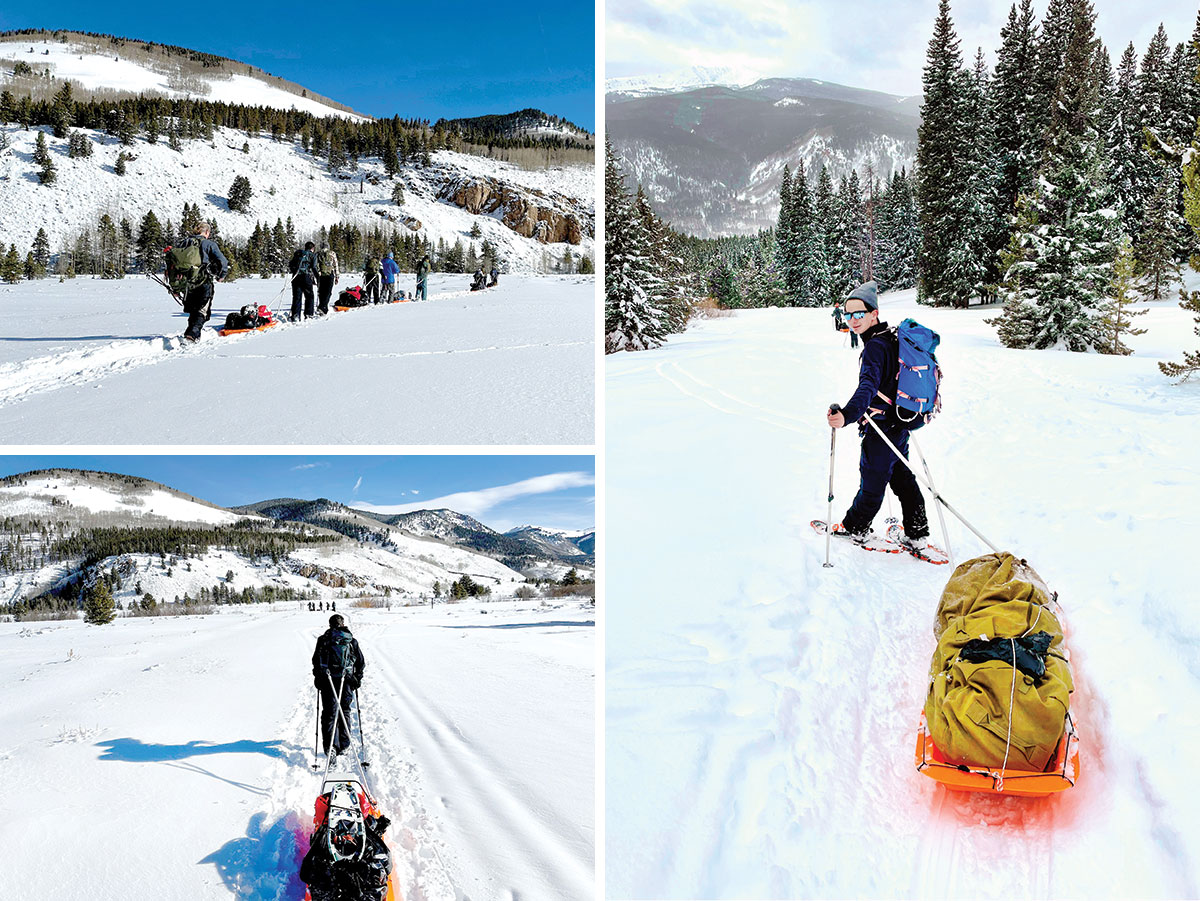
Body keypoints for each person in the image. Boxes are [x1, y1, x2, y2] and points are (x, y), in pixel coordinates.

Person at [825, 280, 929, 550]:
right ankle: (917, 530)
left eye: (859, 314)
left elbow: (868, 387)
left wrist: (847, 415)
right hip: (900, 421)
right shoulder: (891, 338)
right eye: (848, 314)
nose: (853, 320)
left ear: (874, 314)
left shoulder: (874, 347)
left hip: (883, 424)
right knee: (901, 475)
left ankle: (855, 526)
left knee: (873, 478)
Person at [312, 614, 365, 755]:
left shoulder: (323, 640)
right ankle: (344, 745)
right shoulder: (351, 641)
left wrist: (317, 678)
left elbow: (316, 661)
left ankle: (331, 748)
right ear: (343, 624)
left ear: (330, 625)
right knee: (345, 711)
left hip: (327, 680)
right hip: (346, 680)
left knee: (329, 713)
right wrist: (357, 679)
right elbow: (360, 662)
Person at [179, 223, 229, 342]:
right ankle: (192, 335)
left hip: (187, 283)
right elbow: (223, 261)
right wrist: (221, 276)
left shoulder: (184, 243)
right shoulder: (209, 244)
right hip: (203, 281)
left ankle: (193, 332)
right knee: (202, 310)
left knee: (193, 310)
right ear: (207, 232)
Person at [288, 241, 319, 321]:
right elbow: (314, 267)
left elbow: (290, 264)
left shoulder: (298, 253)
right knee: (309, 296)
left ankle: (295, 315)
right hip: (306, 276)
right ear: (312, 248)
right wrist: (318, 278)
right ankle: (308, 314)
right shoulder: (312, 255)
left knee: (297, 297)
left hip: (296, 276)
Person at [316, 243, 340, 316]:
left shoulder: (318, 254)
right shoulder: (332, 253)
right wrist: (337, 276)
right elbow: (335, 265)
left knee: (321, 291)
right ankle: (323, 307)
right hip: (330, 274)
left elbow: (316, 265)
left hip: (321, 275)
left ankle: (321, 306)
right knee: (328, 292)